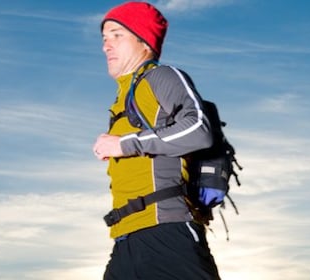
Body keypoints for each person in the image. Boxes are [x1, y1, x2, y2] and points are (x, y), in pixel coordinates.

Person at [91, 2, 220, 279]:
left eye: (117, 35)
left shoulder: (161, 76)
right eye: (104, 39)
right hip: (126, 238)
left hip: (167, 232)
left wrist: (124, 144)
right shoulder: (123, 98)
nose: (106, 46)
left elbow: (199, 129)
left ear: (144, 41)